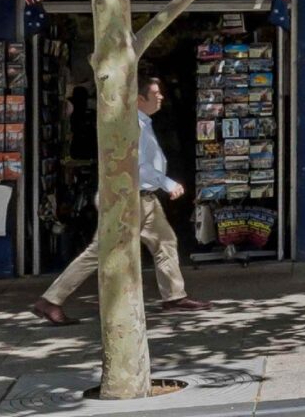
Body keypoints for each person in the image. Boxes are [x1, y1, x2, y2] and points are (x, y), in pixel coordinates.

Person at [31, 73, 202, 325]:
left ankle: (174, 296)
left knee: (165, 241)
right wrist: (167, 183)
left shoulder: (143, 122)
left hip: (145, 199)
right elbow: (136, 164)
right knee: (99, 251)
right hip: (126, 198)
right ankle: (51, 300)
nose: (161, 97)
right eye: (155, 94)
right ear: (138, 98)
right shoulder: (132, 125)